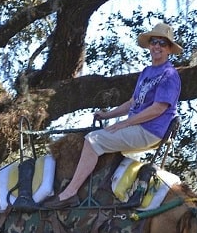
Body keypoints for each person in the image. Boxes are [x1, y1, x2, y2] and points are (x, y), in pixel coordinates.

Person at [42, 22, 183, 209]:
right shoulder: (147, 72)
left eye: (162, 44)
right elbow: (134, 102)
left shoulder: (169, 75)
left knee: (93, 141)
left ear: (169, 50)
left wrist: (124, 124)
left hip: (150, 130)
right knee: (95, 134)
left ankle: (69, 193)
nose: (157, 46)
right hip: (138, 126)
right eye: (154, 42)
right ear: (149, 45)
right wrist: (108, 115)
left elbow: (158, 109)